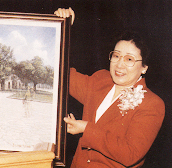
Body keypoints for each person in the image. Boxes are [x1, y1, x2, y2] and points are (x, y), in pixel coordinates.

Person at [56, 9, 165, 167]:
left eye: (129, 59)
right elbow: (63, 75)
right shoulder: (101, 79)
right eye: (116, 55)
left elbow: (130, 153)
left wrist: (86, 129)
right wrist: (63, 28)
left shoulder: (152, 103)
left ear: (144, 67)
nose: (119, 64)